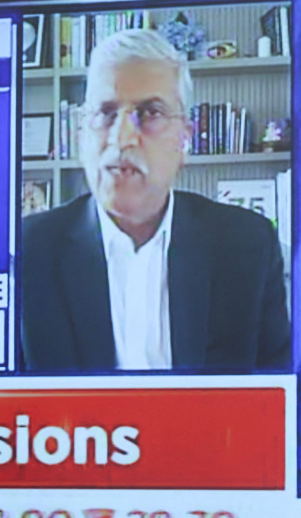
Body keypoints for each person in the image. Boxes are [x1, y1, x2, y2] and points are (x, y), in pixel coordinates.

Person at [21, 28, 290, 372]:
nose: (123, 138)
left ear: (184, 141)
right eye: (106, 112)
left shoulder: (247, 245)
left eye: (150, 113)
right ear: (81, 135)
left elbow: (277, 391)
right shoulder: (26, 252)